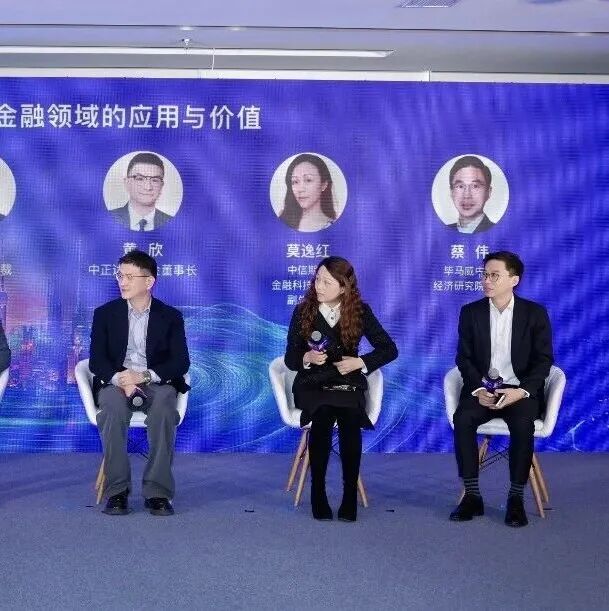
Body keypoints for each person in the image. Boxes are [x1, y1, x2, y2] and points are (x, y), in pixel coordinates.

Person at [285, 257, 398, 521]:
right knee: (322, 416)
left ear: (344, 287)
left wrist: (360, 362)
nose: (318, 286)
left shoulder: (360, 311)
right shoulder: (303, 311)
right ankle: (318, 493)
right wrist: (306, 357)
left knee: (349, 419)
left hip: (347, 383)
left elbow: (389, 349)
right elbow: (290, 357)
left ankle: (349, 496)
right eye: (317, 279)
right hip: (313, 384)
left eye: (327, 282)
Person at [450, 251, 553, 527]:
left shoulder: (534, 313)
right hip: (484, 388)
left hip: (519, 390)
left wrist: (522, 391)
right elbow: (464, 358)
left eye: (494, 275)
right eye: (485, 275)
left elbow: (544, 361)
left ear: (514, 280)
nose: (487, 280)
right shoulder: (470, 312)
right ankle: (472, 495)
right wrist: (477, 389)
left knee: (522, 424)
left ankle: (516, 498)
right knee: (463, 419)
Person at [89, 250, 190, 516]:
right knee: (111, 407)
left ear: (149, 281)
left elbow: (181, 362)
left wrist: (144, 376)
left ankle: (158, 492)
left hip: (155, 381)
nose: (122, 282)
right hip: (117, 382)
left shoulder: (170, 316)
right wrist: (121, 379)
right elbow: (97, 361)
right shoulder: (105, 314)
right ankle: (117, 491)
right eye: (120, 275)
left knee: (165, 407)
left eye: (129, 277)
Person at [111, 152, 173, 231]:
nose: (148, 187)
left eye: (155, 180)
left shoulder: (171, 222)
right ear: (127, 183)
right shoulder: (109, 218)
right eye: (140, 179)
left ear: (161, 185)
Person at [280, 154, 337, 232]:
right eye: (295, 182)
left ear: (324, 185)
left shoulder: (334, 227)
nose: (300, 189)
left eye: (308, 180)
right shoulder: (282, 221)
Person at [447, 156, 495, 233]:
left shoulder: (497, 231)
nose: (467, 195)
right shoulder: (442, 231)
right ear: (451, 192)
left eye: (475, 186)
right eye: (460, 186)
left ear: (488, 192)